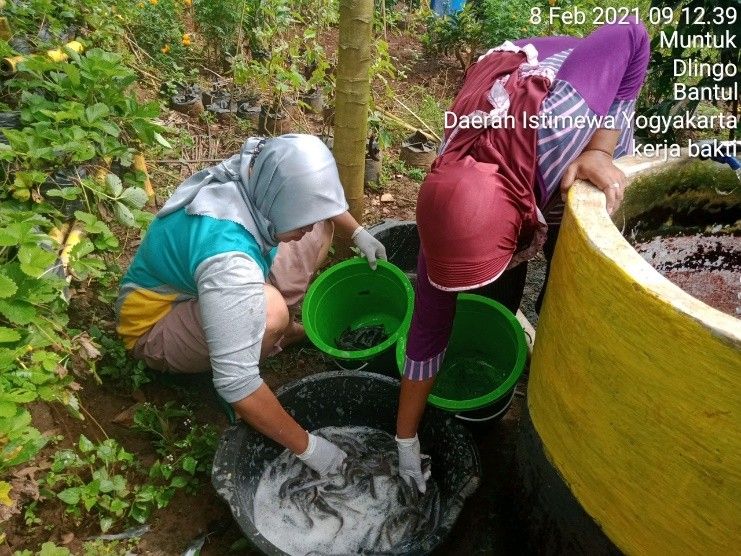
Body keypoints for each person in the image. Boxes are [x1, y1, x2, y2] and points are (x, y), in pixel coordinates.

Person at [395, 20, 651, 492]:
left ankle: (550, 338)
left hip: (587, 116)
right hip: (507, 138)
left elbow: (631, 35)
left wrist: (600, 148)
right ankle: (510, 308)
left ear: (519, 229)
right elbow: (427, 331)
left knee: (570, 262)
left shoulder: (561, 123)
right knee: (495, 296)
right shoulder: (446, 211)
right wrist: (405, 440)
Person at [115, 134, 387, 476]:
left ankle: (270, 328)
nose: (305, 228)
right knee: (270, 311)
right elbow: (237, 384)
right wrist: (314, 450)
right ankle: (263, 340)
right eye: (299, 221)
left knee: (323, 228)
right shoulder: (228, 260)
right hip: (156, 325)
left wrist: (358, 231)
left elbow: (318, 205)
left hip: (215, 283)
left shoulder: (256, 169)